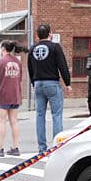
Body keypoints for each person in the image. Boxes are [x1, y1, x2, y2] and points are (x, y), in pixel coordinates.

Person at [27, 24, 71, 153]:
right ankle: (57, 147)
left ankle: (42, 148)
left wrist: (33, 83)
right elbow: (62, 65)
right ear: (50, 34)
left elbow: (29, 68)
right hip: (52, 83)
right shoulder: (55, 47)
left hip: (38, 83)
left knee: (40, 115)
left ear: (37, 35)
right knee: (56, 115)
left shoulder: (32, 49)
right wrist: (67, 83)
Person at [0, 40, 22, 157]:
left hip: (3, 94)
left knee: (2, 121)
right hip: (15, 94)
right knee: (14, 121)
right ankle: (15, 147)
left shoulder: (1, 61)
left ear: (3, 49)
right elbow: (20, 78)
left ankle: (0, 148)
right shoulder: (18, 61)